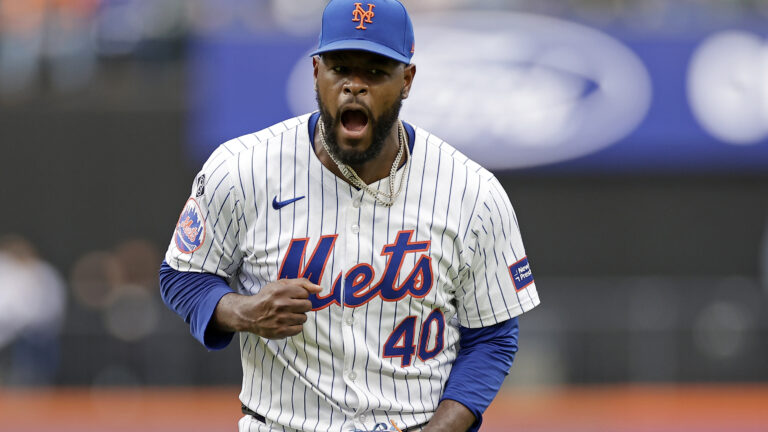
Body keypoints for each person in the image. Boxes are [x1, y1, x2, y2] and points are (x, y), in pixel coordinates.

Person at [159, 1, 540, 431]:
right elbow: (183, 274)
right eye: (340, 68)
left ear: (407, 80)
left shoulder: (473, 193)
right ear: (316, 72)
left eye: (375, 71)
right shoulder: (242, 169)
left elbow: (492, 337)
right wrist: (242, 310)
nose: (354, 86)